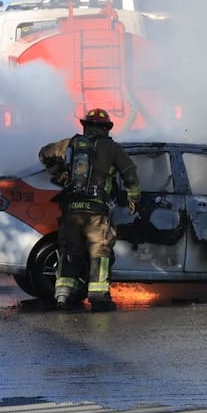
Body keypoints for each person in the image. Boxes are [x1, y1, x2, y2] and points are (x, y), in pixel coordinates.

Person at [38, 108, 141, 312]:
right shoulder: (112, 148)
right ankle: (99, 296)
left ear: (85, 126)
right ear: (106, 128)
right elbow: (130, 173)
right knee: (99, 251)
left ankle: (63, 295)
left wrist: (60, 175)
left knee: (70, 250)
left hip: (71, 209)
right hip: (96, 211)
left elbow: (44, 154)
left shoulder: (70, 144)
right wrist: (133, 198)